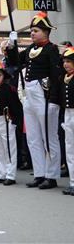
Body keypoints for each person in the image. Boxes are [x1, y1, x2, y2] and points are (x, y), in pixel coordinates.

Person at [6, 12, 61, 189]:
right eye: (31, 31)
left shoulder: (51, 49)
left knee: (48, 136)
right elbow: (15, 61)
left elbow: (56, 75)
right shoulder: (30, 49)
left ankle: (51, 176)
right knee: (33, 137)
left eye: (36, 30)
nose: (32, 34)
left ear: (46, 32)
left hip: (43, 94)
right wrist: (12, 46)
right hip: (29, 93)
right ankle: (39, 173)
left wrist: (53, 99)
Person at [59, 47, 74, 195]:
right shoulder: (63, 78)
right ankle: (72, 182)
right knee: (70, 149)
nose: (66, 64)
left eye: (69, 61)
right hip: (68, 114)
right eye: (64, 61)